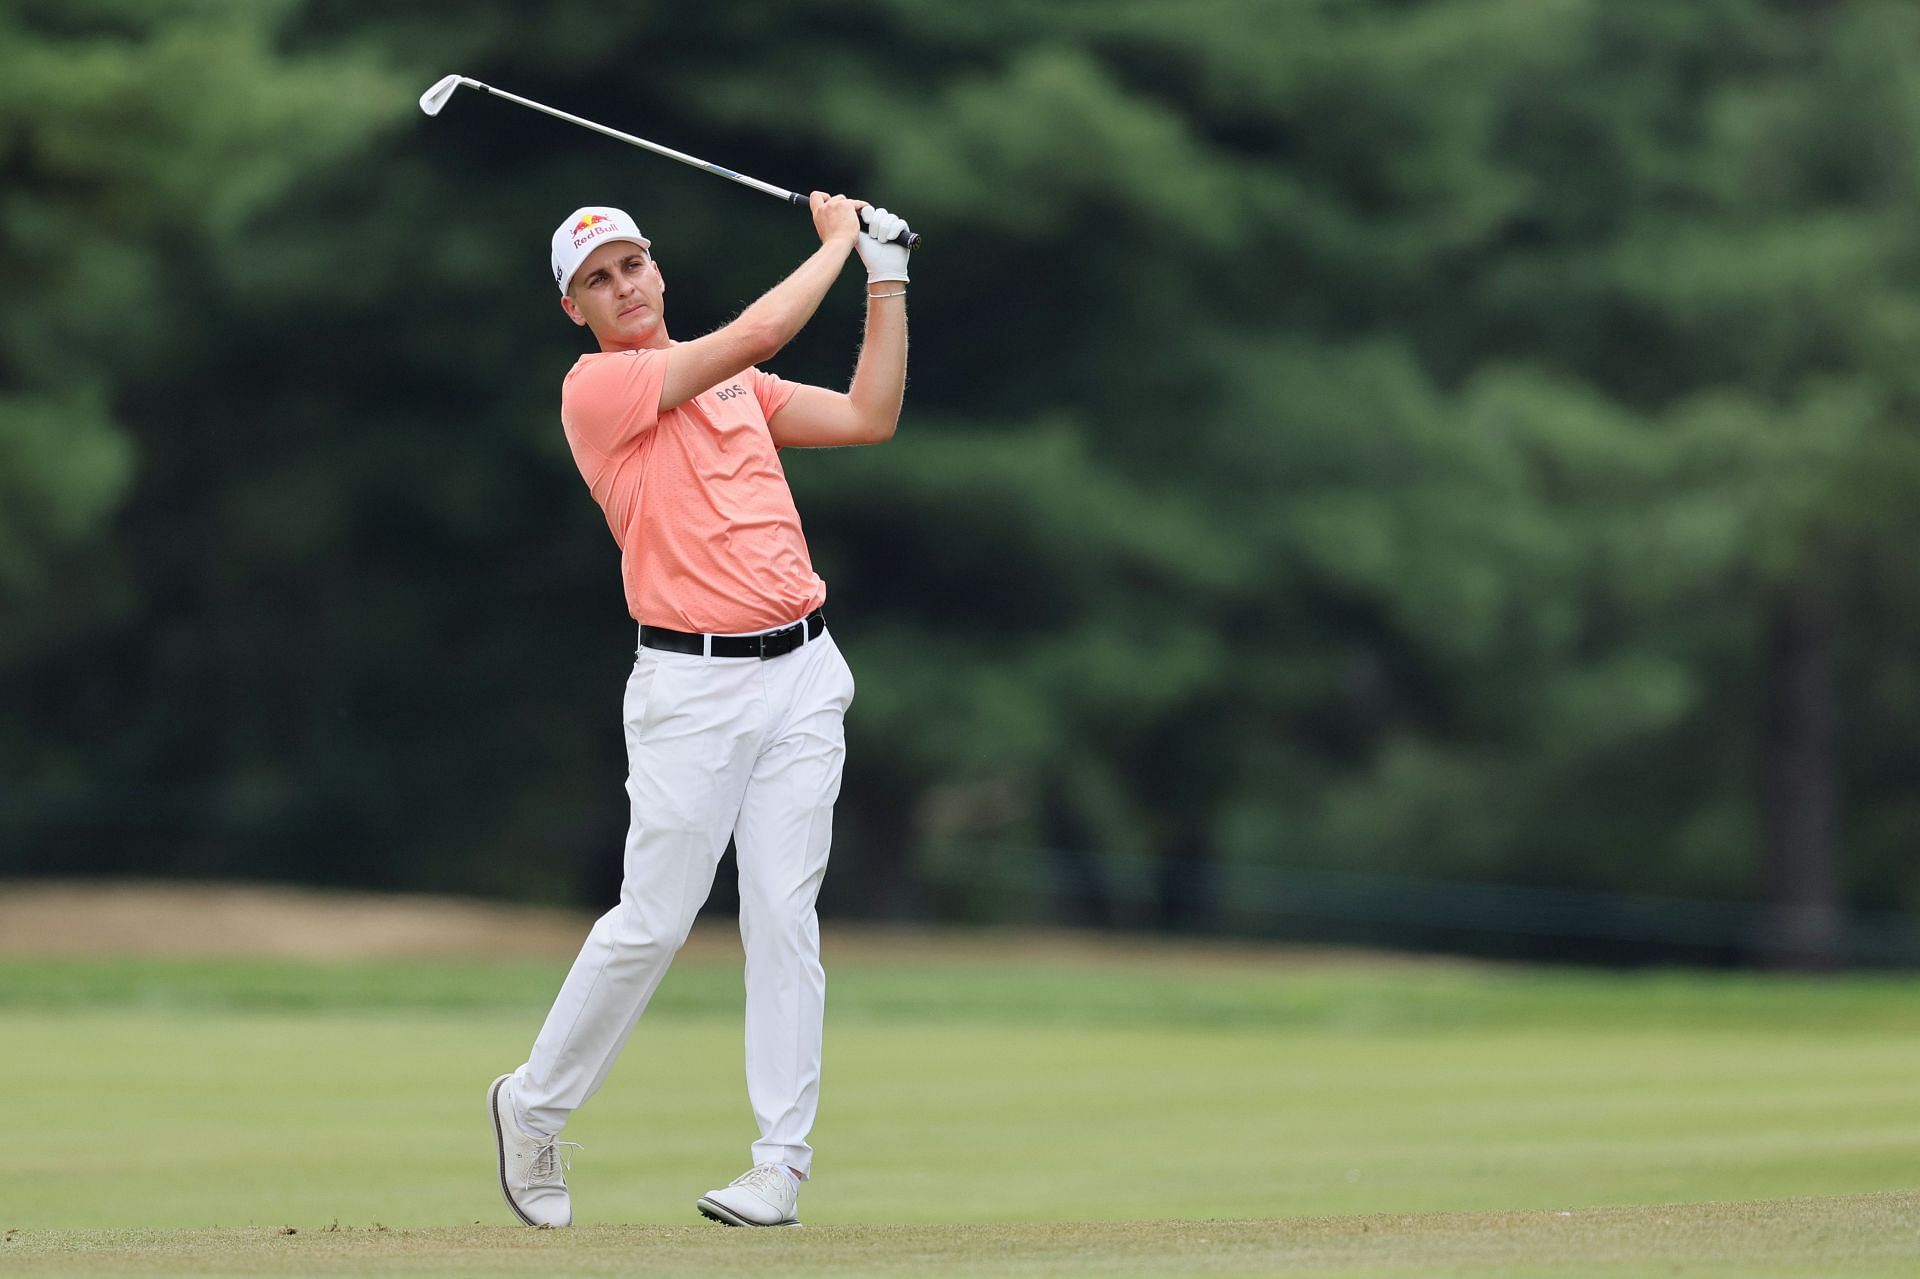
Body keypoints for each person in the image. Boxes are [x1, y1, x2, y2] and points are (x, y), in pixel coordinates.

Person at [487, 192, 912, 1229]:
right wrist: (844, 247)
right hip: (690, 689)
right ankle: (533, 1106)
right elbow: (760, 329)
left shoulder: (743, 391)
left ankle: (780, 1165)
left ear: (658, 271)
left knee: (783, 915)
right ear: (573, 309)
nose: (624, 286)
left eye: (633, 264)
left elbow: (868, 416)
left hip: (804, 672)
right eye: (598, 278)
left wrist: (889, 280)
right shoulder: (598, 389)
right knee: (655, 922)